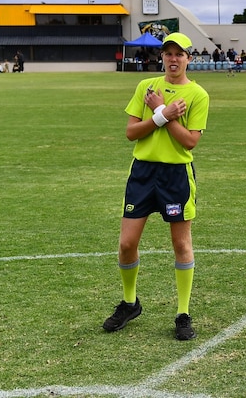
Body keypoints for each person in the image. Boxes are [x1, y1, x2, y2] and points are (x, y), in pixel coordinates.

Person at [102, 32, 210, 341]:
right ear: (161, 57)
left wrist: (167, 116)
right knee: (126, 243)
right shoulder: (145, 88)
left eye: (179, 54)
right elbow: (131, 133)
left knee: (181, 244)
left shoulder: (198, 95)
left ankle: (183, 313)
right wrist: (161, 115)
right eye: (168, 53)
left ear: (189, 58)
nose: (173, 59)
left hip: (176, 175)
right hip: (143, 172)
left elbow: (190, 141)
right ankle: (129, 302)